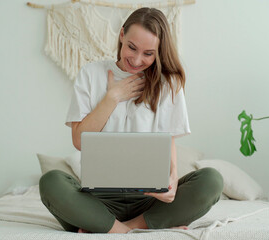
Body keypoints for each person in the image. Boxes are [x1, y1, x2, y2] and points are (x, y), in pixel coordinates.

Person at [39, 7, 223, 234]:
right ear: (122, 35)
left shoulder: (168, 84)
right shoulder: (90, 74)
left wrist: (173, 180)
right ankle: (133, 228)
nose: (136, 60)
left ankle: (115, 228)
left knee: (212, 180)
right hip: (98, 200)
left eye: (148, 53)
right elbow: (79, 141)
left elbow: (169, 141)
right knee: (51, 182)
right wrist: (113, 97)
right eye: (132, 48)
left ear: (159, 52)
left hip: (149, 199)